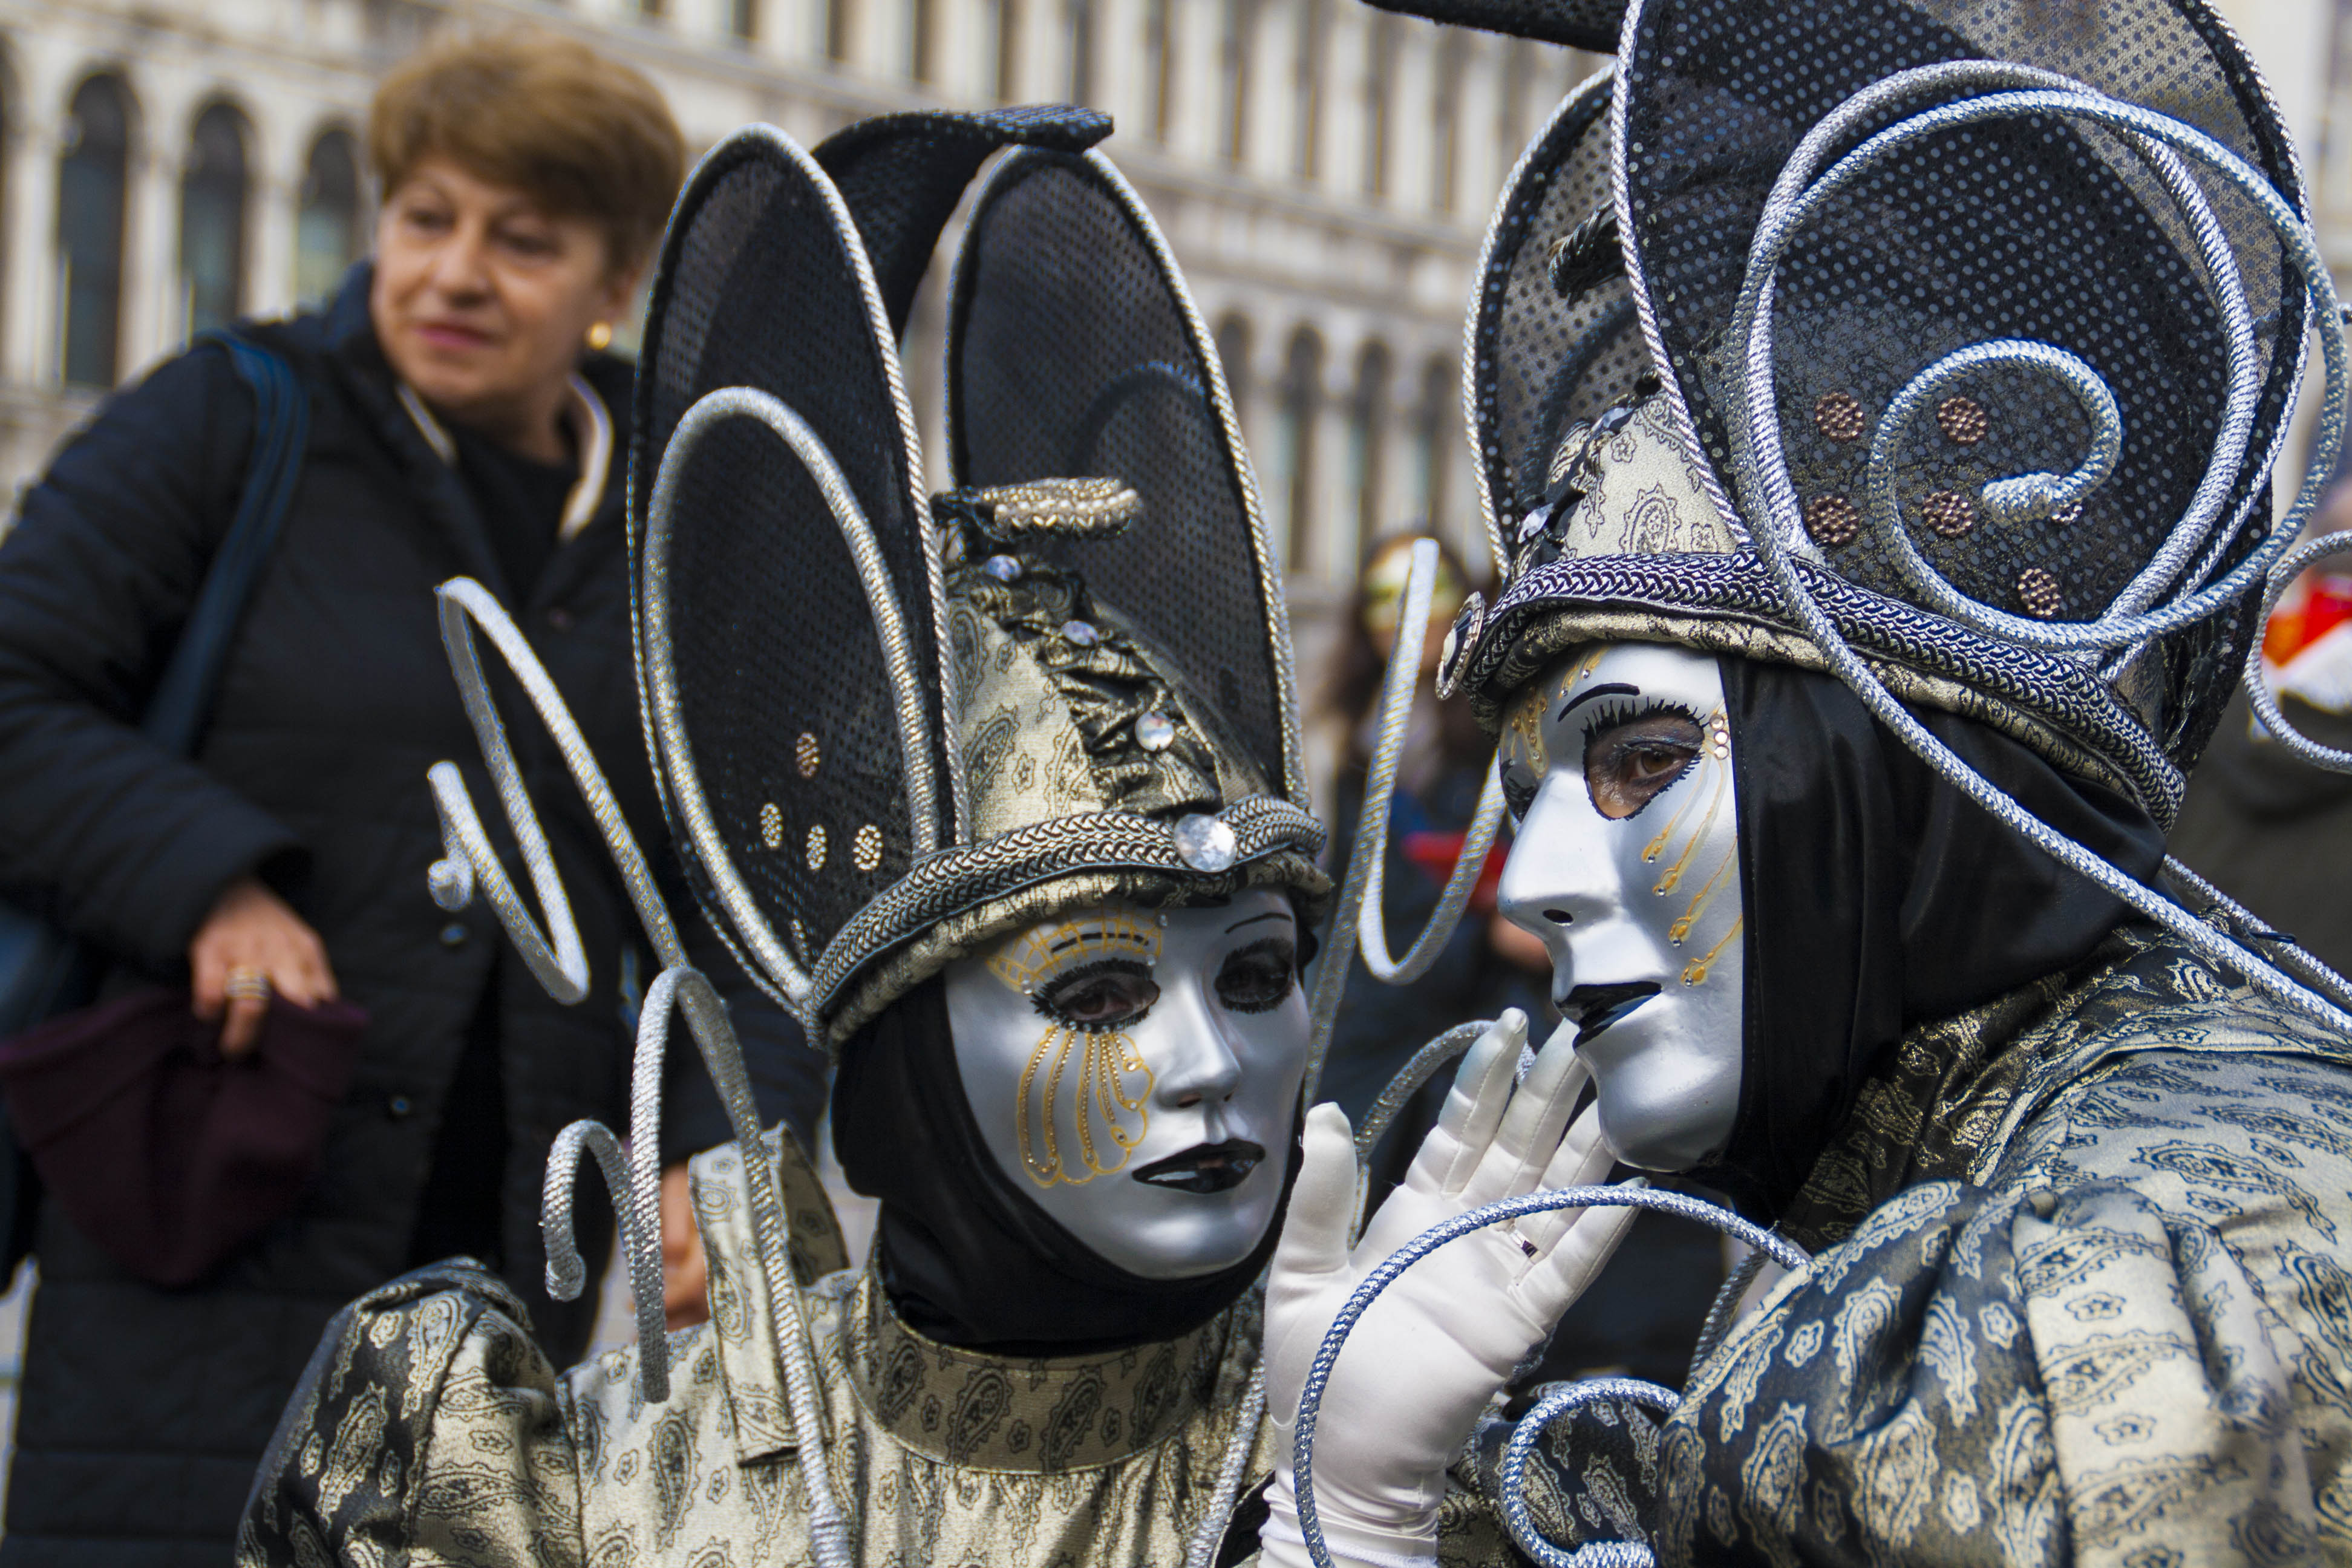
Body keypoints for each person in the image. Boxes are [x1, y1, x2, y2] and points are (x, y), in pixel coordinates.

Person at [237, 108, 1648, 1568]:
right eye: (1095, 992)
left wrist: (1350, 1520)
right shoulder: (584, 1504)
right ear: (907, 1052)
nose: (1213, 1066)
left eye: (1250, 975)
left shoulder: (1452, 1483)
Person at [1412, 0, 2352, 1558]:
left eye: (1641, 761)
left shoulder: (2134, 1276)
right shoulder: (1933, 1155)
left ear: (1897, 785)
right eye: (1531, 792)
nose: (1536, 879)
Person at [0, 29, 821, 1565]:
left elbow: (752, 870)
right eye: (425, 218)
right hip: (217, 1198)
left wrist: (733, 1143)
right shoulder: (233, 417)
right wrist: (205, 884)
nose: (454, 272)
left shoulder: (683, 506)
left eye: (523, 241)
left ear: (615, 284)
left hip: (514, 1248)